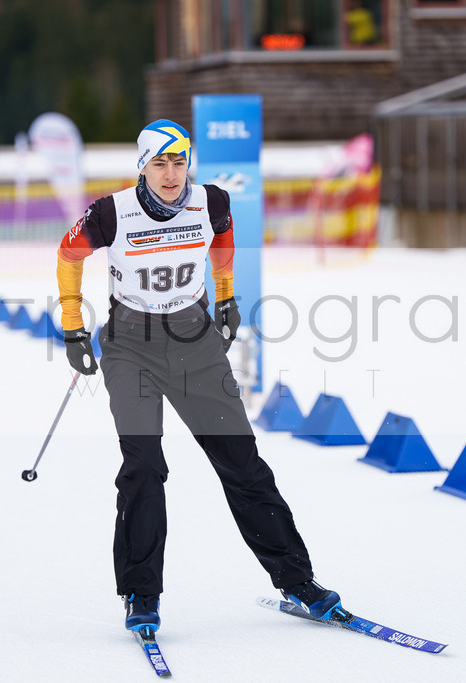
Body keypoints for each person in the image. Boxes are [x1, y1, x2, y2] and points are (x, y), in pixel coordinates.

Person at [56, 119, 342, 635]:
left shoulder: (209, 202)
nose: (170, 174)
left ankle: (298, 581)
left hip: (194, 342)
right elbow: (68, 255)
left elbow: (223, 240)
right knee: (143, 466)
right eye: (159, 163)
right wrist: (73, 325)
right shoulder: (111, 212)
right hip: (131, 346)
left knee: (242, 464)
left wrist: (227, 293)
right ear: (142, 166)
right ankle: (142, 593)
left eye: (179, 161)